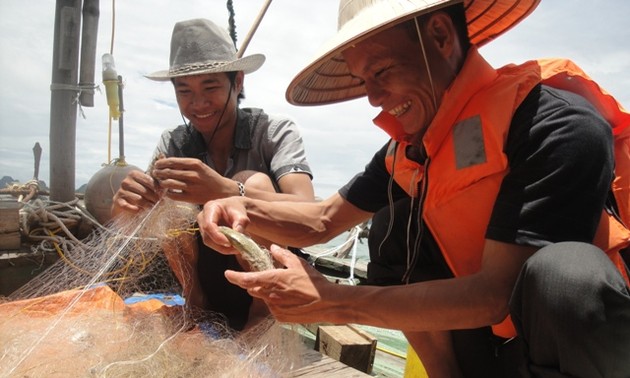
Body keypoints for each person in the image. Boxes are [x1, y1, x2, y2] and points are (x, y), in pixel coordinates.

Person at [196, 0, 630, 376]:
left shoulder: (555, 125)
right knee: (391, 224)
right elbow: (323, 220)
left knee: (568, 276)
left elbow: (497, 294)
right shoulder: (410, 148)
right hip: (487, 345)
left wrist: (334, 300)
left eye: (382, 70)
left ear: (439, 36)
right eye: (363, 79)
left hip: (568, 349)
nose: (372, 97)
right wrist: (239, 208)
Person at [111, 18, 315, 331]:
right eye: (185, 92)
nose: (199, 104)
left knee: (253, 181)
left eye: (211, 87)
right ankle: (195, 300)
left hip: (273, 277)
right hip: (206, 275)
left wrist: (223, 189)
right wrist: (128, 202)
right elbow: (129, 223)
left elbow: (310, 211)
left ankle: (261, 313)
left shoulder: (274, 131)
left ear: (238, 83)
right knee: (170, 203)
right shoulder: (173, 143)